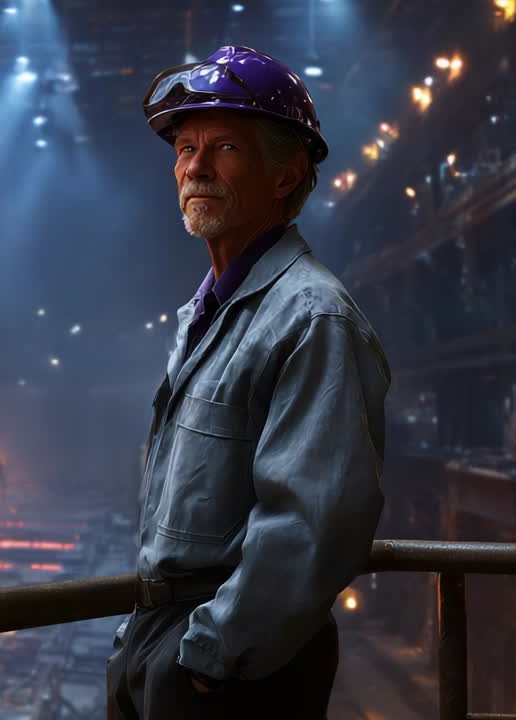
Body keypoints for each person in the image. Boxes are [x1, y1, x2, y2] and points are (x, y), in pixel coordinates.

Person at [106, 46, 391, 719]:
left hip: (231, 670)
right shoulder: (206, 313)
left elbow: (315, 521)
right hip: (165, 641)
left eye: (225, 147)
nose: (195, 167)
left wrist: (209, 657)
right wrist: (139, 642)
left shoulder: (312, 317)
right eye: (186, 148)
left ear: (286, 175)